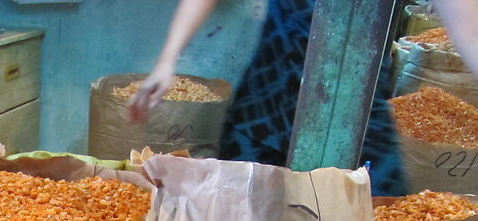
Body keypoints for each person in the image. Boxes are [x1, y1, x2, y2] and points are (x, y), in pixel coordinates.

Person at [129, 0, 409, 194]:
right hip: (272, 89)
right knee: (240, 206)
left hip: (354, 94)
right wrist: (167, 61)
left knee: (374, 210)